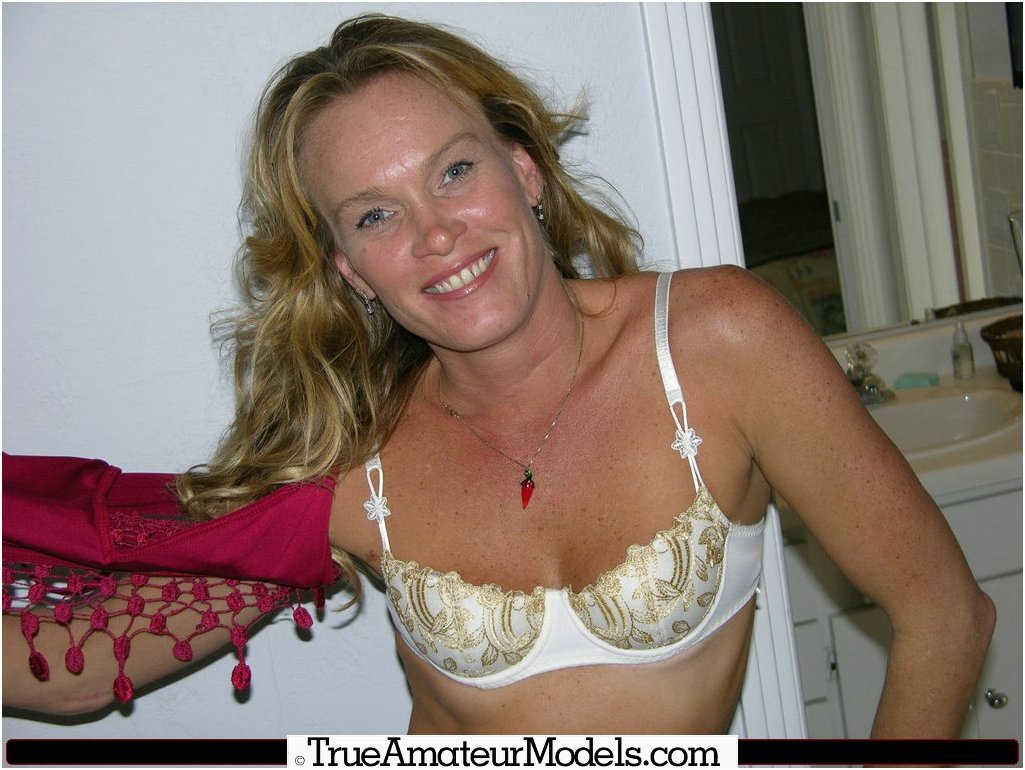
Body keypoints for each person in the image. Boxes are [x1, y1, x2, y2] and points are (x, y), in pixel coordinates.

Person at [3, 14, 994, 736]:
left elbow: (944, 615)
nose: (436, 232)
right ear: (350, 269)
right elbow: (77, 667)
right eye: (376, 215)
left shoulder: (714, 343)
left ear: (524, 172)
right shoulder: (347, 458)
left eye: (454, 171)